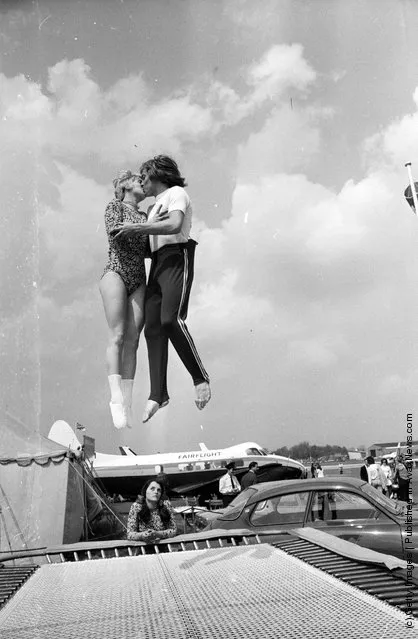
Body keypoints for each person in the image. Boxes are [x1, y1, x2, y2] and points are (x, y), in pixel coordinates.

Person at [114, 156, 211, 423]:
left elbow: (175, 224)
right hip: (157, 263)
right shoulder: (154, 206)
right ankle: (159, 393)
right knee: (153, 328)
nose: (142, 183)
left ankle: (200, 378)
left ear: (156, 175)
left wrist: (136, 228)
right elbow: (148, 241)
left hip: (176, 257)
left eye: (144, 177)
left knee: (171, 319)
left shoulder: (176, 194)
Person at [99, 171, 165, 429]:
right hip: (116, 271)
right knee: (116, 334)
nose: (142, 182)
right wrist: (146, 226)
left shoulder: (143, 216)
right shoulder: (115, 207)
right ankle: (115, 399)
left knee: (133, 339)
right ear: (125, 186)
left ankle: (126, 400)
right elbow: (116, 233)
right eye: (138, 180)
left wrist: (154, 225)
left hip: (138, 276)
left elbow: (149, 250)